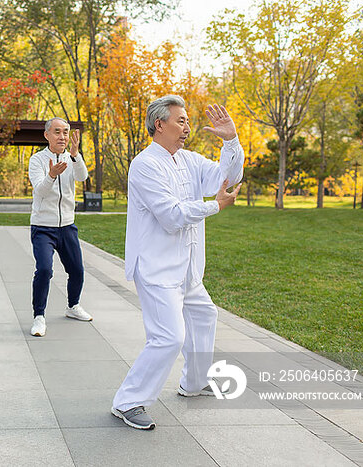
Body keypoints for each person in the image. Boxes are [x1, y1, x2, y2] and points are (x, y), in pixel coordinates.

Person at [111, 95, 244, 429]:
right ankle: (128, 403)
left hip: (187, 268)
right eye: (180, 121)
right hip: (156, 268)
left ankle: (194, 383)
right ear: (160, 124)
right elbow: (171, 216)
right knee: (169, 337)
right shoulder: (144, 165)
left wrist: (231, 141)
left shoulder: (188, 160)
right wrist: (214, 207)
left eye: (186, 121)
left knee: (204, 315)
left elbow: (226, 178)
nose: (187, 127)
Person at [27, 117, 91, 337]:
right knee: (44, 270)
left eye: (65, 132)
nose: (62, 136)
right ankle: (39, 317)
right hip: (43, 227)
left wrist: (76, 156)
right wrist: (52, 175)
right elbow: (40, 192)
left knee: (77, 271)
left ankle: (73, 306)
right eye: (57, 132)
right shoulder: (37, 160)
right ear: (47, 135)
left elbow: (83, 177)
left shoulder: (71, 158)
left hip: (67, 226)